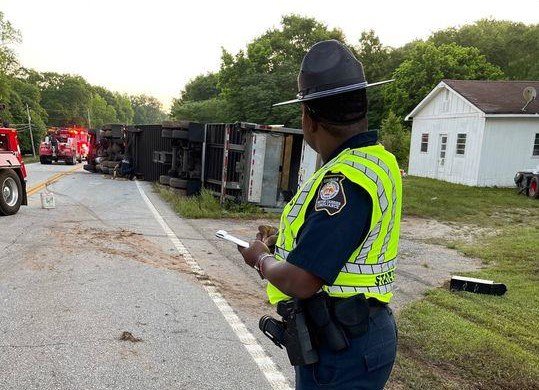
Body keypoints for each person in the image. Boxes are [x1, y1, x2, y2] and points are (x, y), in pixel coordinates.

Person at [238, 40, 402, 390]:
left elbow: (303, 280)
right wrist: (281, 244)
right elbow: (344, 242)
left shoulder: (343, 181)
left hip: (342, 347)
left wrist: (261, 259)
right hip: (358, 333)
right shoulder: (377, 161)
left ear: (309, 118)